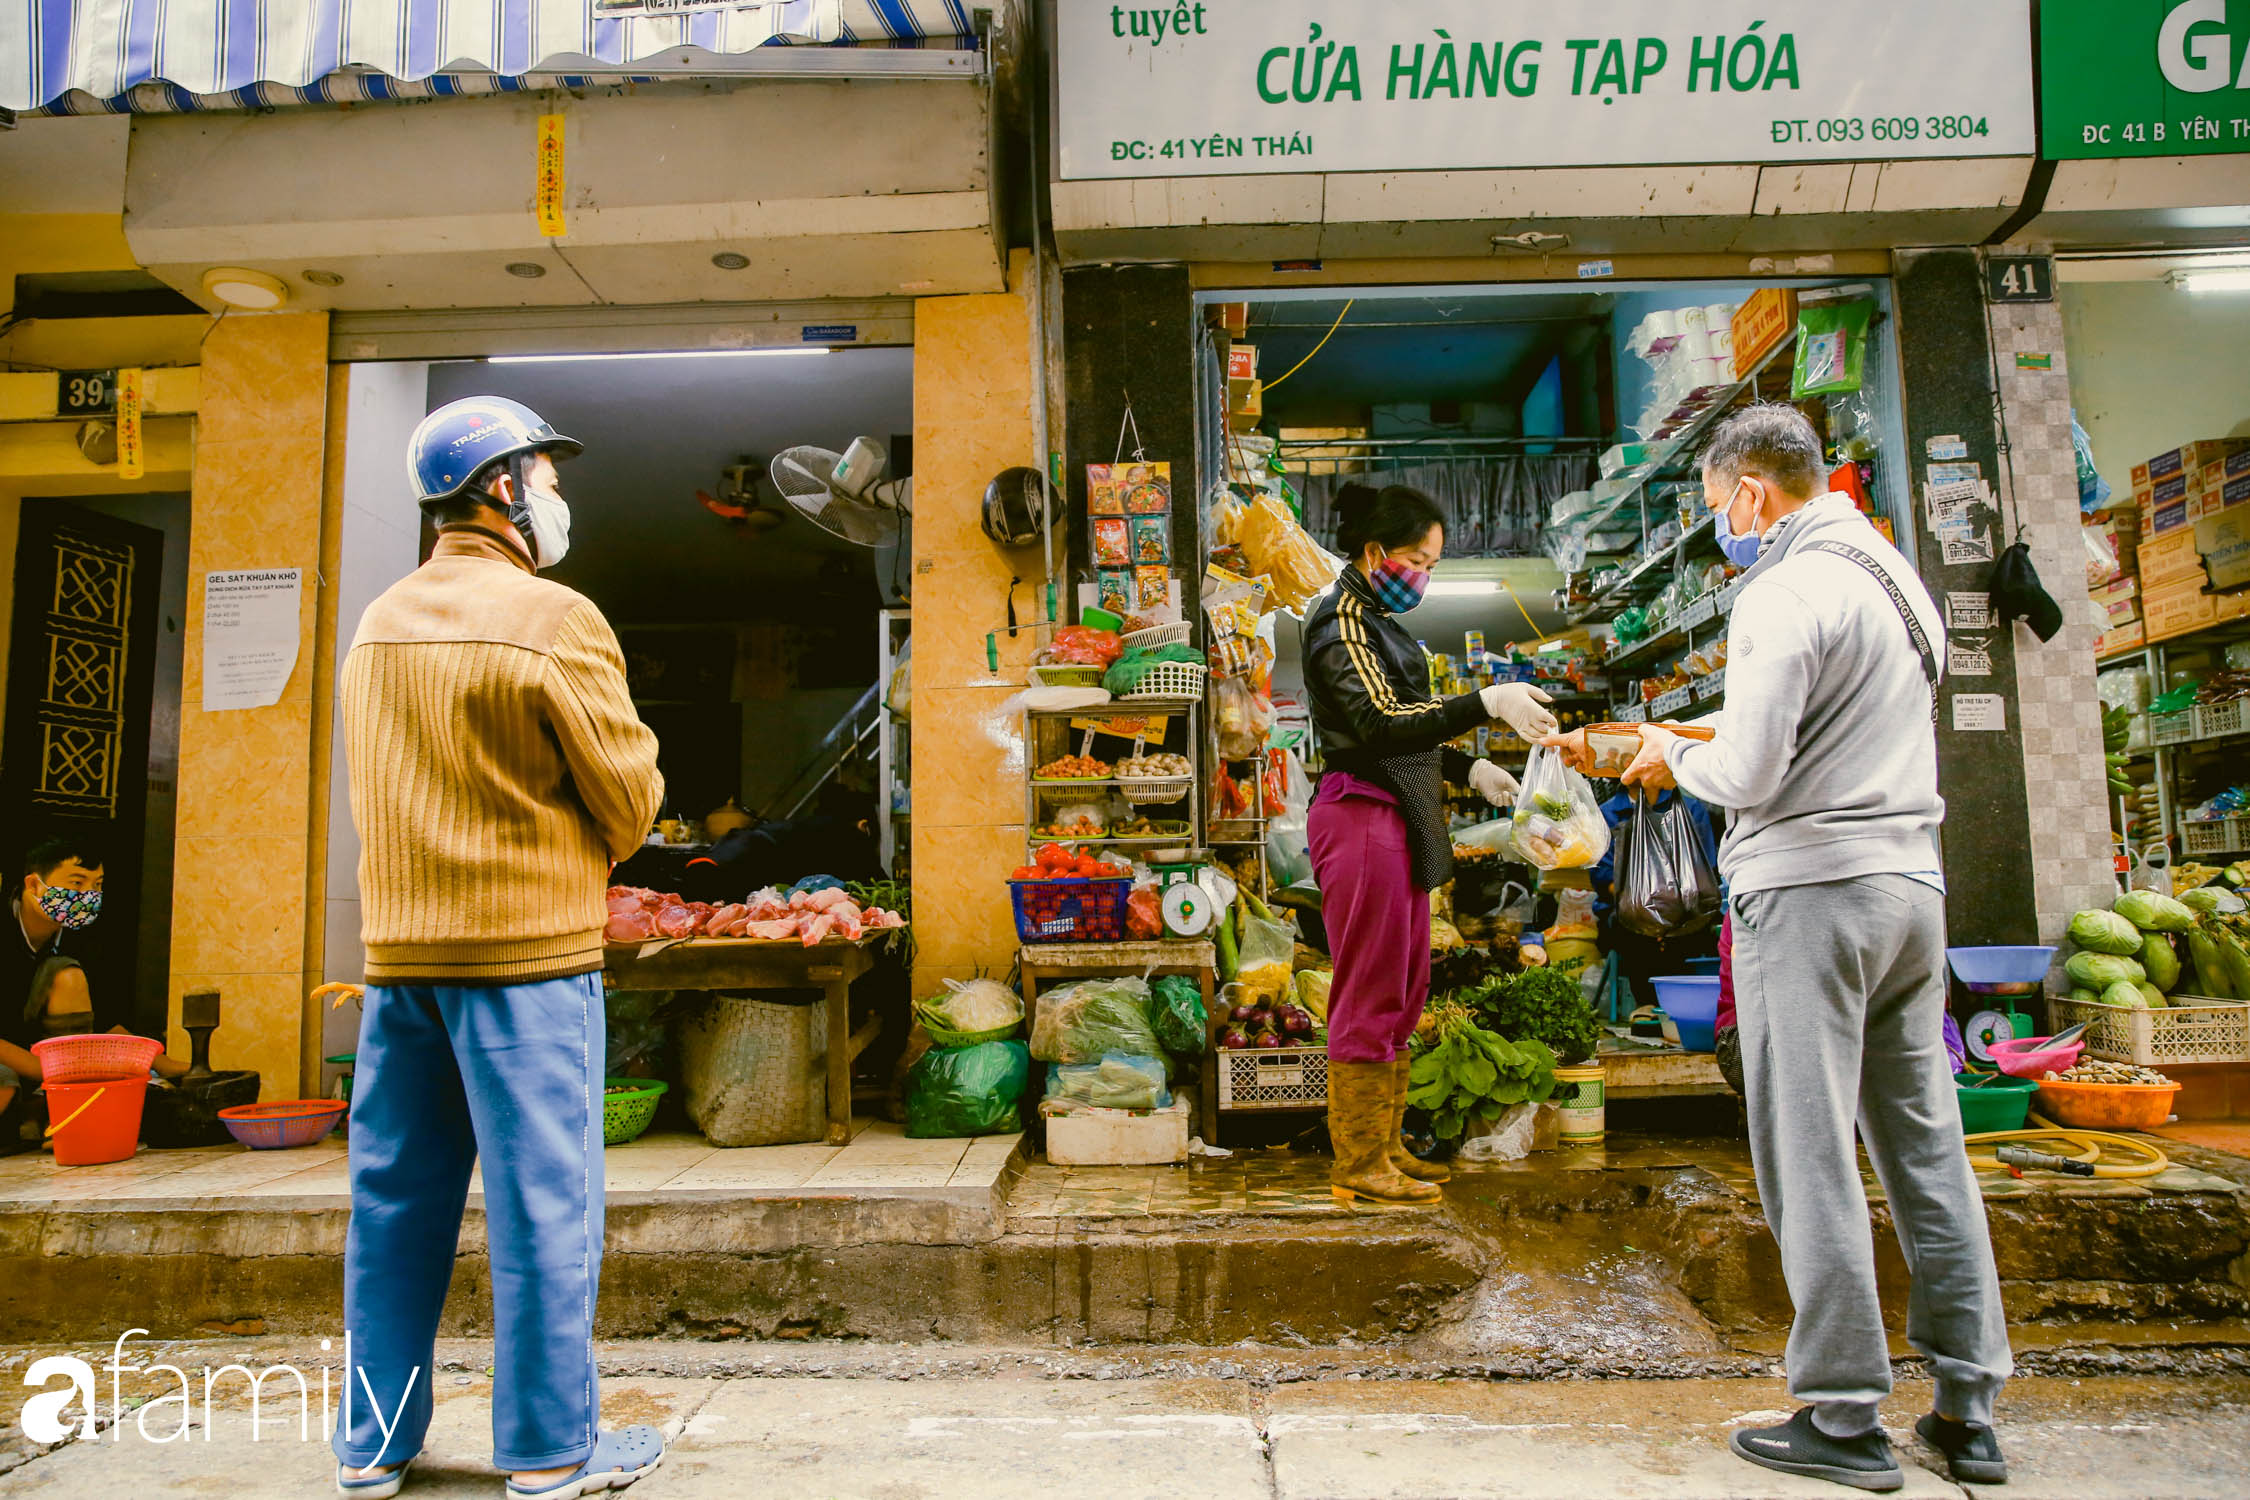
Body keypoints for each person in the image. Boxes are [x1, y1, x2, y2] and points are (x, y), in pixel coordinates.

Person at [1548, 404, 2008, 1491]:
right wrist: (1682, 733)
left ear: (1751, 492)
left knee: (1809, 1151)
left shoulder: (1780, 591)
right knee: (1926, 1146)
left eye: (1719, 511)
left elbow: (1752, 775)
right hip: (1908, 887)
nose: (1724, 533)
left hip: (1808, 895)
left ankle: (1844, 1415)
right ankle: (1969, 1411)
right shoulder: (1896, 583)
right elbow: (1826, 726)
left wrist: (1670, 760)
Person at [336, 396, 667, 1499]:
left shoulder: (376, 623)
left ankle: (371, 1449)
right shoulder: (555, 617)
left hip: (402, 969)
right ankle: (548, 1453)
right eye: (548, 476)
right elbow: (627, 801)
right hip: (527, 965)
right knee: (543, 1214)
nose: (560, 496)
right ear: (505, 489)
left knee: (393, 1208)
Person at [1300, 483, 1558, 1206]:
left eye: (1433, 563)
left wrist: (1467, 765)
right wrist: (1483, 703)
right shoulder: (1341, 619)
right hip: (1359, 814)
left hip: (1397, 814)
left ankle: (1384, 1147)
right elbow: (1378, 724)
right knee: (1372, 986)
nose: (1424, 574)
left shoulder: (1379, 620)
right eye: (1419, 559)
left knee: (1407, 986)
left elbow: (1401, 722)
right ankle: (1358, 1161)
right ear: (1377, 553)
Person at [0, 837, 185, 1146]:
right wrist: (37, 1068)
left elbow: (103, 1020)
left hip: (50, 1061)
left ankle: (54, 1108)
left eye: (97, 884)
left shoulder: (84, 935)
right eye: (77, 882)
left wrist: (160, 1061)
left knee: (67, 975)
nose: (88, 894)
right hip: (18, 1059)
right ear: (34, 885)